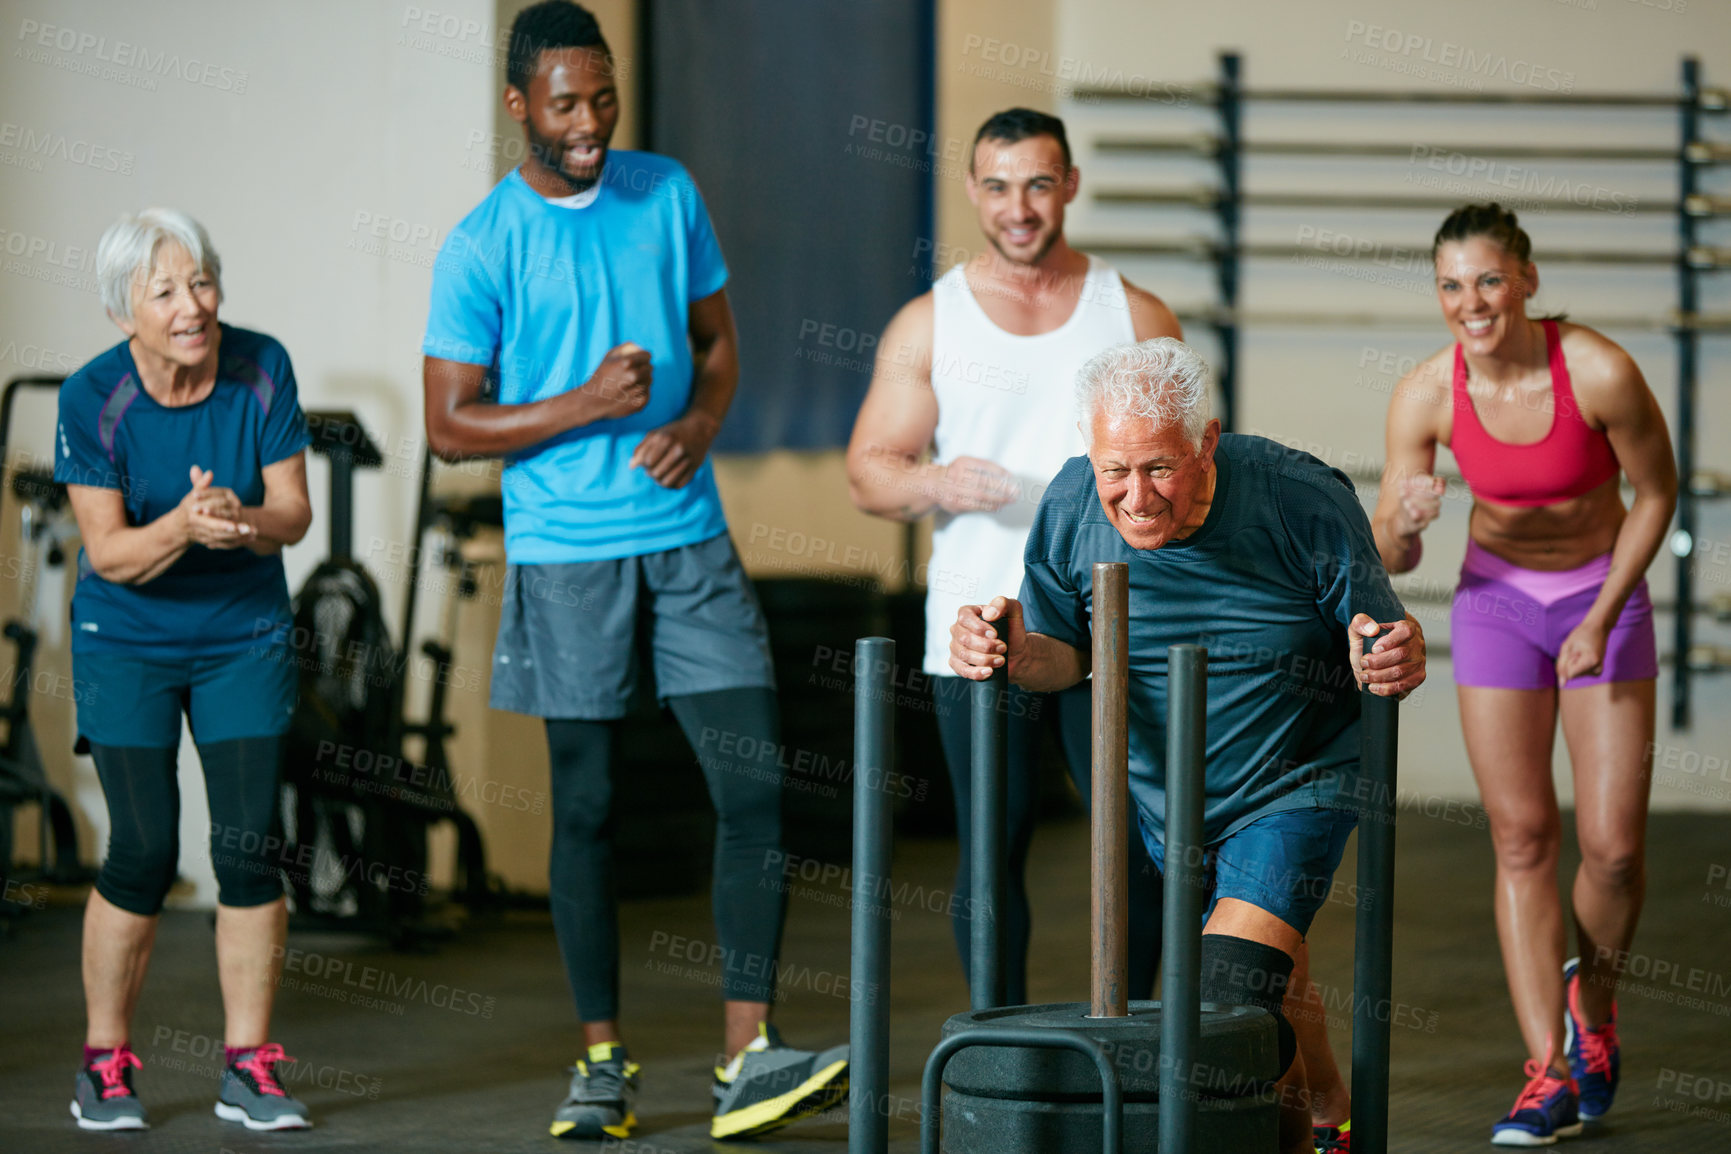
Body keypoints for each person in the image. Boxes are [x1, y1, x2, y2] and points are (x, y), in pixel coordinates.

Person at [420, 1, 845, 1141]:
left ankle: (746, 1053)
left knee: (752, 784)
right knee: (590, 809)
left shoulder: (669, 194)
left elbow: (719, 345)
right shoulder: (480, 245)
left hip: (688, 535)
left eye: (603, 98)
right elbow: (449, 427)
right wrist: (585, 407)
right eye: (567, 103)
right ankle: (602, 1062)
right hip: (565, 555)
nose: (592, 122)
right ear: (521, 106)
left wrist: (702, 423)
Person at [948, 338, 1426, 1154]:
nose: (1134, 498)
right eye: (1114, 470)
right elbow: (1061, 654)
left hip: (1296, 779)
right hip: (1166, 798)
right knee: (1273, 977)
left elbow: (1377, 631)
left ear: (1205, 442)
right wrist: (1005, 650)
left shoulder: (1295, 496)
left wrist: (1385, 650)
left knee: (1224, 996)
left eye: (1159, 469)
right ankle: (1324, 1115)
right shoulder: (1070, 504)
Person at [846, 107, 1178, 1007]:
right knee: (993, 845)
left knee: (1138, 842)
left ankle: (1135, 1040)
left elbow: (1189, 467)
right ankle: (998, 1053)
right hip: (979, 620)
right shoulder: (931, 322)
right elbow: (869, 473)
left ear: (1068, 184)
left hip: (1115, 621)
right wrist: (939, 481)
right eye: (997, 186)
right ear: (972, 192)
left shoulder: (1133, 314)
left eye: (1037, 183)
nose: (1018, 207)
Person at [1372, 203, 1676, 1146]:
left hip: (1601, 593)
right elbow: (1391, 549)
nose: (1473, 302)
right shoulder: (1425, 392)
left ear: (1527, 281)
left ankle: (1596, 1011)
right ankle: (1544, 1068)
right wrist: (1407, 521)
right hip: (1497, 603)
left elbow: (1656, 492)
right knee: (1520, 839)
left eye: (1490, 280)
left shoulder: (1596, 370)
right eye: (1452, 285)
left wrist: (1598, 615)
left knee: (1615, 850)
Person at [56, 208, 315, 1131]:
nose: (190, 304)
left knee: (249, 846)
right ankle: (103, 1065)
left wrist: (240, 519)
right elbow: (111, 554)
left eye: (200, 280)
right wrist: (183, 525)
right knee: (143, 849)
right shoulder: (91, 397)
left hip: (241, 632)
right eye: (163, 290)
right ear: (124, 311)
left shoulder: (262, 366)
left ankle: (248, 1069)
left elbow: (294, 514)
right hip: (125, 637)